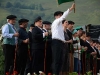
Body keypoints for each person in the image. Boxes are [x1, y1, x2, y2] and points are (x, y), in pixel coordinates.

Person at [51, 3, 75, 75]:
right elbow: (64, 17)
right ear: (56, 16)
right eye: (60, 15)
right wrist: (70, 9)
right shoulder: (56, 22)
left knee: (60, 60)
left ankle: (58, 73)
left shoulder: (60, 26)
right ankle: (55, 73)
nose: (62, 17)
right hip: (56, 42)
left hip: (61, 42)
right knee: (56, 60)